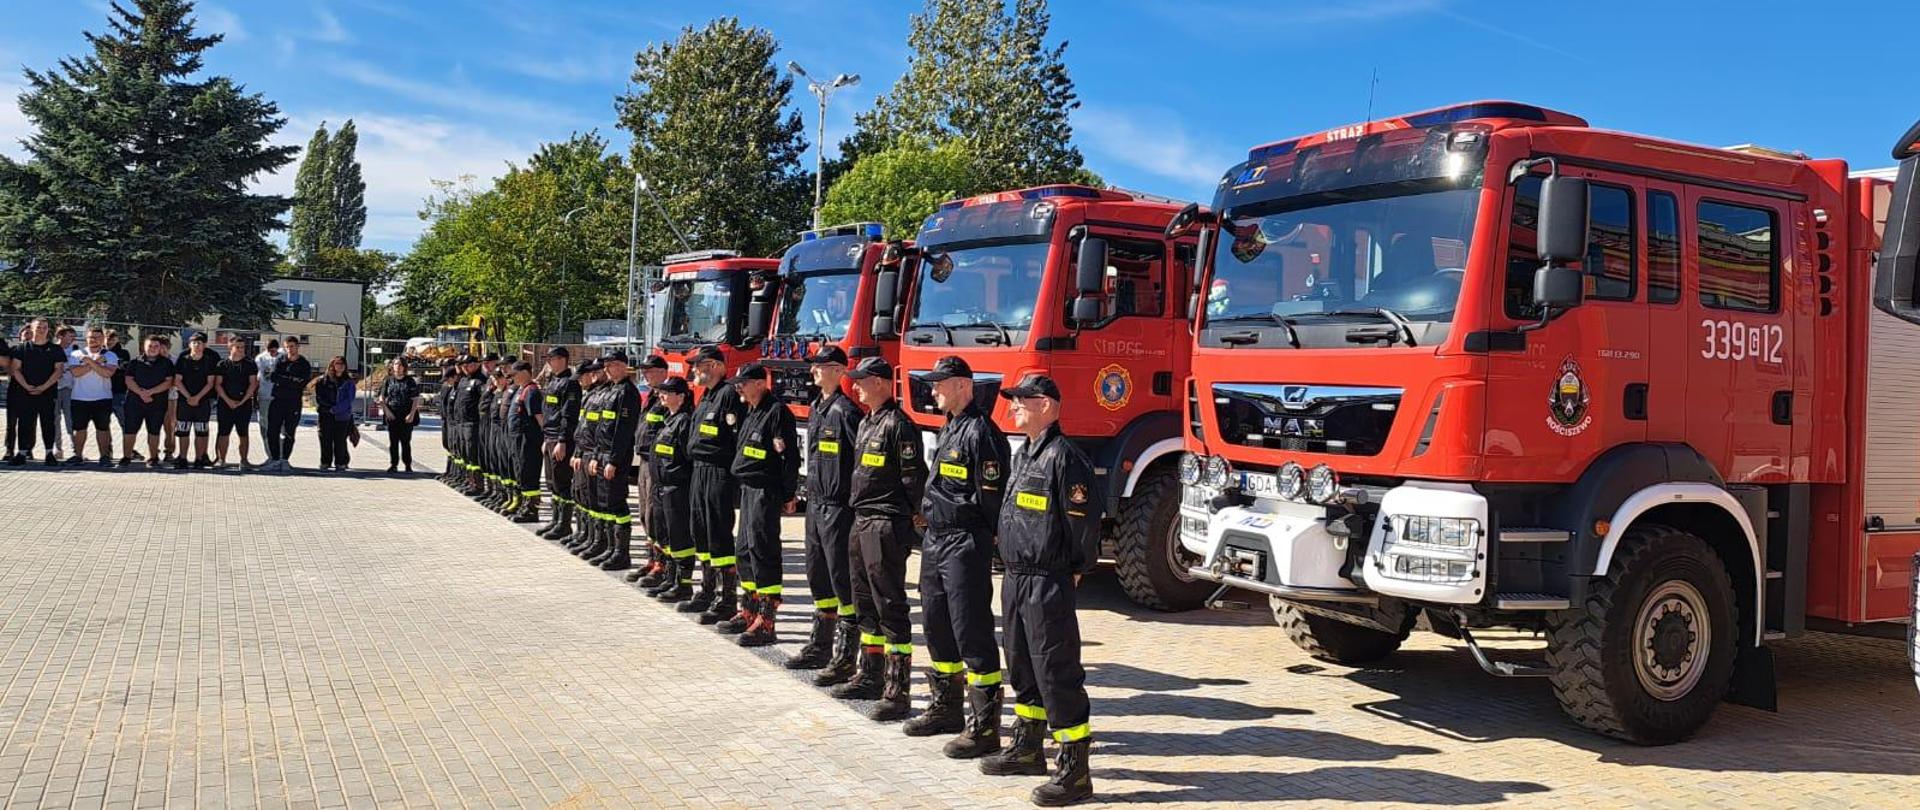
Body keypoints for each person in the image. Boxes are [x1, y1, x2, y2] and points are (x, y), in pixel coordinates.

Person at [978, 374, 1101, 806]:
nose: (1012, 408)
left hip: (1047, 579)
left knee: (1056, 670)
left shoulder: (1065, 459)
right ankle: (1027, 748)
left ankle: (1075, 771)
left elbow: (1083, 523)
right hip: (1015, 577)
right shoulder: (1026, 453)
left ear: (1046, 406)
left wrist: (1075, 569)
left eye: (1021, 402)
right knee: (1023, 665)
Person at [906, 356, 1012, 751]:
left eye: (940, 383)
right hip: (936, 540)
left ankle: (985, 726)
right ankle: (946, 707)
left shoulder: (982, 433)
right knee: (936, 622)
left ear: (964, 386)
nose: (932, 390)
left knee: (971, 629)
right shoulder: (951, 427)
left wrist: (985, 539)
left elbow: (991, 498)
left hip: (965, 541)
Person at [833, 356, 927, 723]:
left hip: (886, 523)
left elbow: (911, 477)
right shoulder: (867, 422)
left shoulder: (899, 425)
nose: (855, 386)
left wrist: (917, 514)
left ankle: (896, 689)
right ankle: (869, 675)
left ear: (882, 383)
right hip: (861, 519)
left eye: (862, 380)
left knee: (889, 603)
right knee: (864, 601)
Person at [795, 347, 866, 678]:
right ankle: (820, 644)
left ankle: (846, 654)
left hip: (838, 507)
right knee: (817, 574)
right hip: (816, 503)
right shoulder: (817, 408)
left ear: (839, 372)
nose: (814, 372)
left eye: (822, 367)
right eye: (815, 367)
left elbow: (858, 462)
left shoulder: (846, 411)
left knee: (841, 579)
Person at [723, 360, 801, 647]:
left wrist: (788, 493)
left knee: (762, 550)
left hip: (765, 491)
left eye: (744, 383)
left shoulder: (776, 412)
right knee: (744, 550)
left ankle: (767, 621)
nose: (740, 388)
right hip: (747, 489)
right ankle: (749, 610)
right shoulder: (752, 411)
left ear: (760, 383)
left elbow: (788, 457)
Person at [680, 345, 748, 623]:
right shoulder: (707, 396)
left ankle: (727, 598)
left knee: (718, 532)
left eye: (702, 364)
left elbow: (735, 438)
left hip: (718, 472)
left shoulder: (729, 395)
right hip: (698, 470)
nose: (696, 369)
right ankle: (707, 589)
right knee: (701, 531)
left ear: (718, 366)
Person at [642, 375, 696, 601]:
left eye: (667, 392)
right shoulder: (669, 419)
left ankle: (683, 584)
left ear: (681, 397)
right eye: (662, 391)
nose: (662, 395)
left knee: (679, 537)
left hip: (676, 488)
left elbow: (687, 457)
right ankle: (669, 577)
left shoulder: (684, 421)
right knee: (664, 534)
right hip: (661, 487)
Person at [586, 352, 642, 569]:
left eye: (613, 365)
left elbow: (623, 432)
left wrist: (613, 461)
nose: (608, 368)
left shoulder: (627, 393)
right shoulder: (610, 390)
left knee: (616, 502)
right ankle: (609, 548)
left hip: (615, 458)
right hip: (601, 454)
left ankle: (621, 553)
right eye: (607, 365)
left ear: (624, 367)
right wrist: (595, 455)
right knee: (604, 502)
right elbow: (601, 429)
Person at [626, 355, 671, 585]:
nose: (645, 374)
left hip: (656, 464)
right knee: (645, 513)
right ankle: (652, 559)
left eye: (650, 371)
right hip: (644, 461)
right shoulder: (652, 397)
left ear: (664, 371)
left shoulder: (668, 397)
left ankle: (663, 564)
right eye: (644, 371)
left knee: (656, 514)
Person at [534, 348, 581, 541]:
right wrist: (546, 438)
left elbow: (568, 416)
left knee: (562, 483)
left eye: (551, 359)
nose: (549, 363)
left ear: (563, 360)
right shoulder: (553, 381)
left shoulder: (570, 384)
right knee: (552, 482)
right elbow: (548, 413)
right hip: (550, 437)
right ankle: (555, 520)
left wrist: (562, 441)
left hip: (561, 440)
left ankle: (564, 524)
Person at [8, 318, 67, 465]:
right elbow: (16, 369)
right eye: (39, 327)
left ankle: (49, 453)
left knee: (48, 423)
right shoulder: (22, 348)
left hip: (47, 393)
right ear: (31, 329)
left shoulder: (55, 349)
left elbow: (59, 370)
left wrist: (44, 387)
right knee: (25, 423)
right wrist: (27, 386)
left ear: (48, 330)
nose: (42, 330)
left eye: (45, 327)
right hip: (25, 392)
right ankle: (22, 453)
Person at [564, 361, 605, 554]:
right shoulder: (590, 395)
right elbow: (583, 428)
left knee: (595, 499)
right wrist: (577, 452)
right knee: (581, 495)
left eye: (583, 376)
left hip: (594, 454)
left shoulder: (604, 395)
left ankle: (597, 541)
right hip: (584, 452)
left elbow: (601, 432)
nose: (580, 381)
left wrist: (594, 454)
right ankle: (585, 535)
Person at [66, 326, 120, 466]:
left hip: (102, 398)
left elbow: (107, 373)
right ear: (86, 338)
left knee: (102, 429)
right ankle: (78, 456)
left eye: (97, 337)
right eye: (91, 337)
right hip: (79, 398)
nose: (94, 340)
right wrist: (95, 363)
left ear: (103, 339)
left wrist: (88, 362)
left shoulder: (110, 356)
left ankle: (104, 456)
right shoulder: (76, 354)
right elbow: (76, 373)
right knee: (79, 429)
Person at [120, 335, 175, 468]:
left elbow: (169, 382)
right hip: (134, 403)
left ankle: (153, 458)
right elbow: (128, 380)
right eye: (150, 346)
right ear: (143, 347)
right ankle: (126, 457)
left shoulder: (166, 363)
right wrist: (141, 393)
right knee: (130, 431)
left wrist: (150, 392)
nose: (153, 348)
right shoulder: (134, 362)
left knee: (154, 431)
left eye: (156, 346)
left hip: (157, 403)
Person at [264, 337, 314, 471]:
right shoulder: (280, 360)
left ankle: (285, 459)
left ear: (298, 347)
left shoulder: (304, 364)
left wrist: (284, 379)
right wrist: (291, 380)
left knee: (290, 432)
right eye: (287, 347)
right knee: (272, 431)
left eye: (292, 346)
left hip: (293, 402)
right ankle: (275, 459)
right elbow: (273, 377)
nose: (289, 349)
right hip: (277, 400)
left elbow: (302, 383)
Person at [171, 333, 220, 469]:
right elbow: (177, 381)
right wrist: (188, 397)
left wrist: (197, 398)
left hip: (202, 402)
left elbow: (210, 383)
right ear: (189, 344)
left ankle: (199, 458)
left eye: (200, 343)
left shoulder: (209, 361)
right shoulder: (183, 360)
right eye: (194, 343)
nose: (197, 345)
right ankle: (182, 458)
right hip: (184, 401)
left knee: (201, 432)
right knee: (183, 431)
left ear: (204, 345)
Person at [504, 361, 544, 523]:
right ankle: (524, 506)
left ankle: (531, 510)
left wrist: (546, 439)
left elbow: (539, 417)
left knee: (529, 473)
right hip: (518, 439)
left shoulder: (532, 391)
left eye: (514, 374)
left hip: (528, 440)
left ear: (524, 372)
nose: (512, 378)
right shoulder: (521, 390)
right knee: (521, 472)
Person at [213, 336, 260, 469]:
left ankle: (244, 460)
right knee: (223, 432)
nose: (241, 350)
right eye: (237, 347)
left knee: (243, 433)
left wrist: (242, 401)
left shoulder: (250, 364)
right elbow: (218, 385)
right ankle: (221, 459)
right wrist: (228, 401)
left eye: (243, 347)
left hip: (243, 404)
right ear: (230, 347)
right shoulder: (222, 364)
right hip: (225, 404)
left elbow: (253, 384)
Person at [314, 356, 356, 472]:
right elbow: (319, 398)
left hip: (342, 416)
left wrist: (336, 409)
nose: (340, 366)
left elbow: (349, 399)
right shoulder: (322, 381)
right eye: (337, 363)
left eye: (342, 364)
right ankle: (325, 462)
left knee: (340, 440)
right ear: (332, 365)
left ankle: (341, 462)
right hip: (325, 415)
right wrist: (328, 408)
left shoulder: (349, 382)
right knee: (325, 439)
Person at [379, 357, 421, 473]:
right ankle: (393, 464)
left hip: (406, 414)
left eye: (401, 365)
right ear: (392, 366)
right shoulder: (388, 380)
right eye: (396, 364)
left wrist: (411, 414)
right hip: (392, 413)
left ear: (404, 367)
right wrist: (387, 411)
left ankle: (408, 464)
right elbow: (381, 398)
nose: (398, 367)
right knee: (393, 442)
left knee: (405, 441)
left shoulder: (410, 381)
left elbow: (415, 399)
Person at [53, 324, 77, 458]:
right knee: (55, 419)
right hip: (54, 388)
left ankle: (75, 449)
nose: (72, 339)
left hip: (70, 388)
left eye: (73, 336)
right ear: (60, 336)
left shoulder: (75, 350)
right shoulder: (51, 349)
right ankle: (58, 448)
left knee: (71, 419)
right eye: (70, 336)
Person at [104, 330, 131, 445]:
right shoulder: (100, 353)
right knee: (104, 424)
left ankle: (129, 448)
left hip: (119, 391)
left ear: (117, 339)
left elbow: (123, 368)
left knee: (125, 422)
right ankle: (107, 448)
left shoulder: (123, 353)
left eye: (112, 338)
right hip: (103, 392)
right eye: (107, 338)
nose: (109, 341)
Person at [255, 338, 280, 456]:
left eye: (274, 351)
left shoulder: (283, 356)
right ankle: (270, 455)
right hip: (264, 396)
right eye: (270, 351)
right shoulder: (260, 358)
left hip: (279, 397)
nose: (272, 354)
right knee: (264, 426)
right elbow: (257, 378)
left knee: (280, 428)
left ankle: (280, 455)